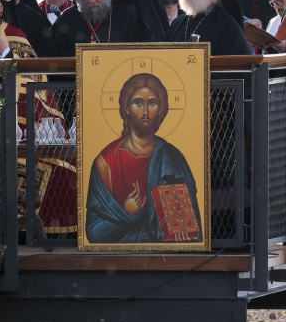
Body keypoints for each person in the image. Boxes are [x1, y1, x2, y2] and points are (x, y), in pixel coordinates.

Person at [86, 73, 201, 244]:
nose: (146, 111)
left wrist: (183, 228)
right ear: (127, 108)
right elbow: (94, 232)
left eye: (152, 103)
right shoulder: (106, 161)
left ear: (160, 110)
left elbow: (190, 223)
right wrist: (129, 214)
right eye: (138, 102)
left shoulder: (172, 158)